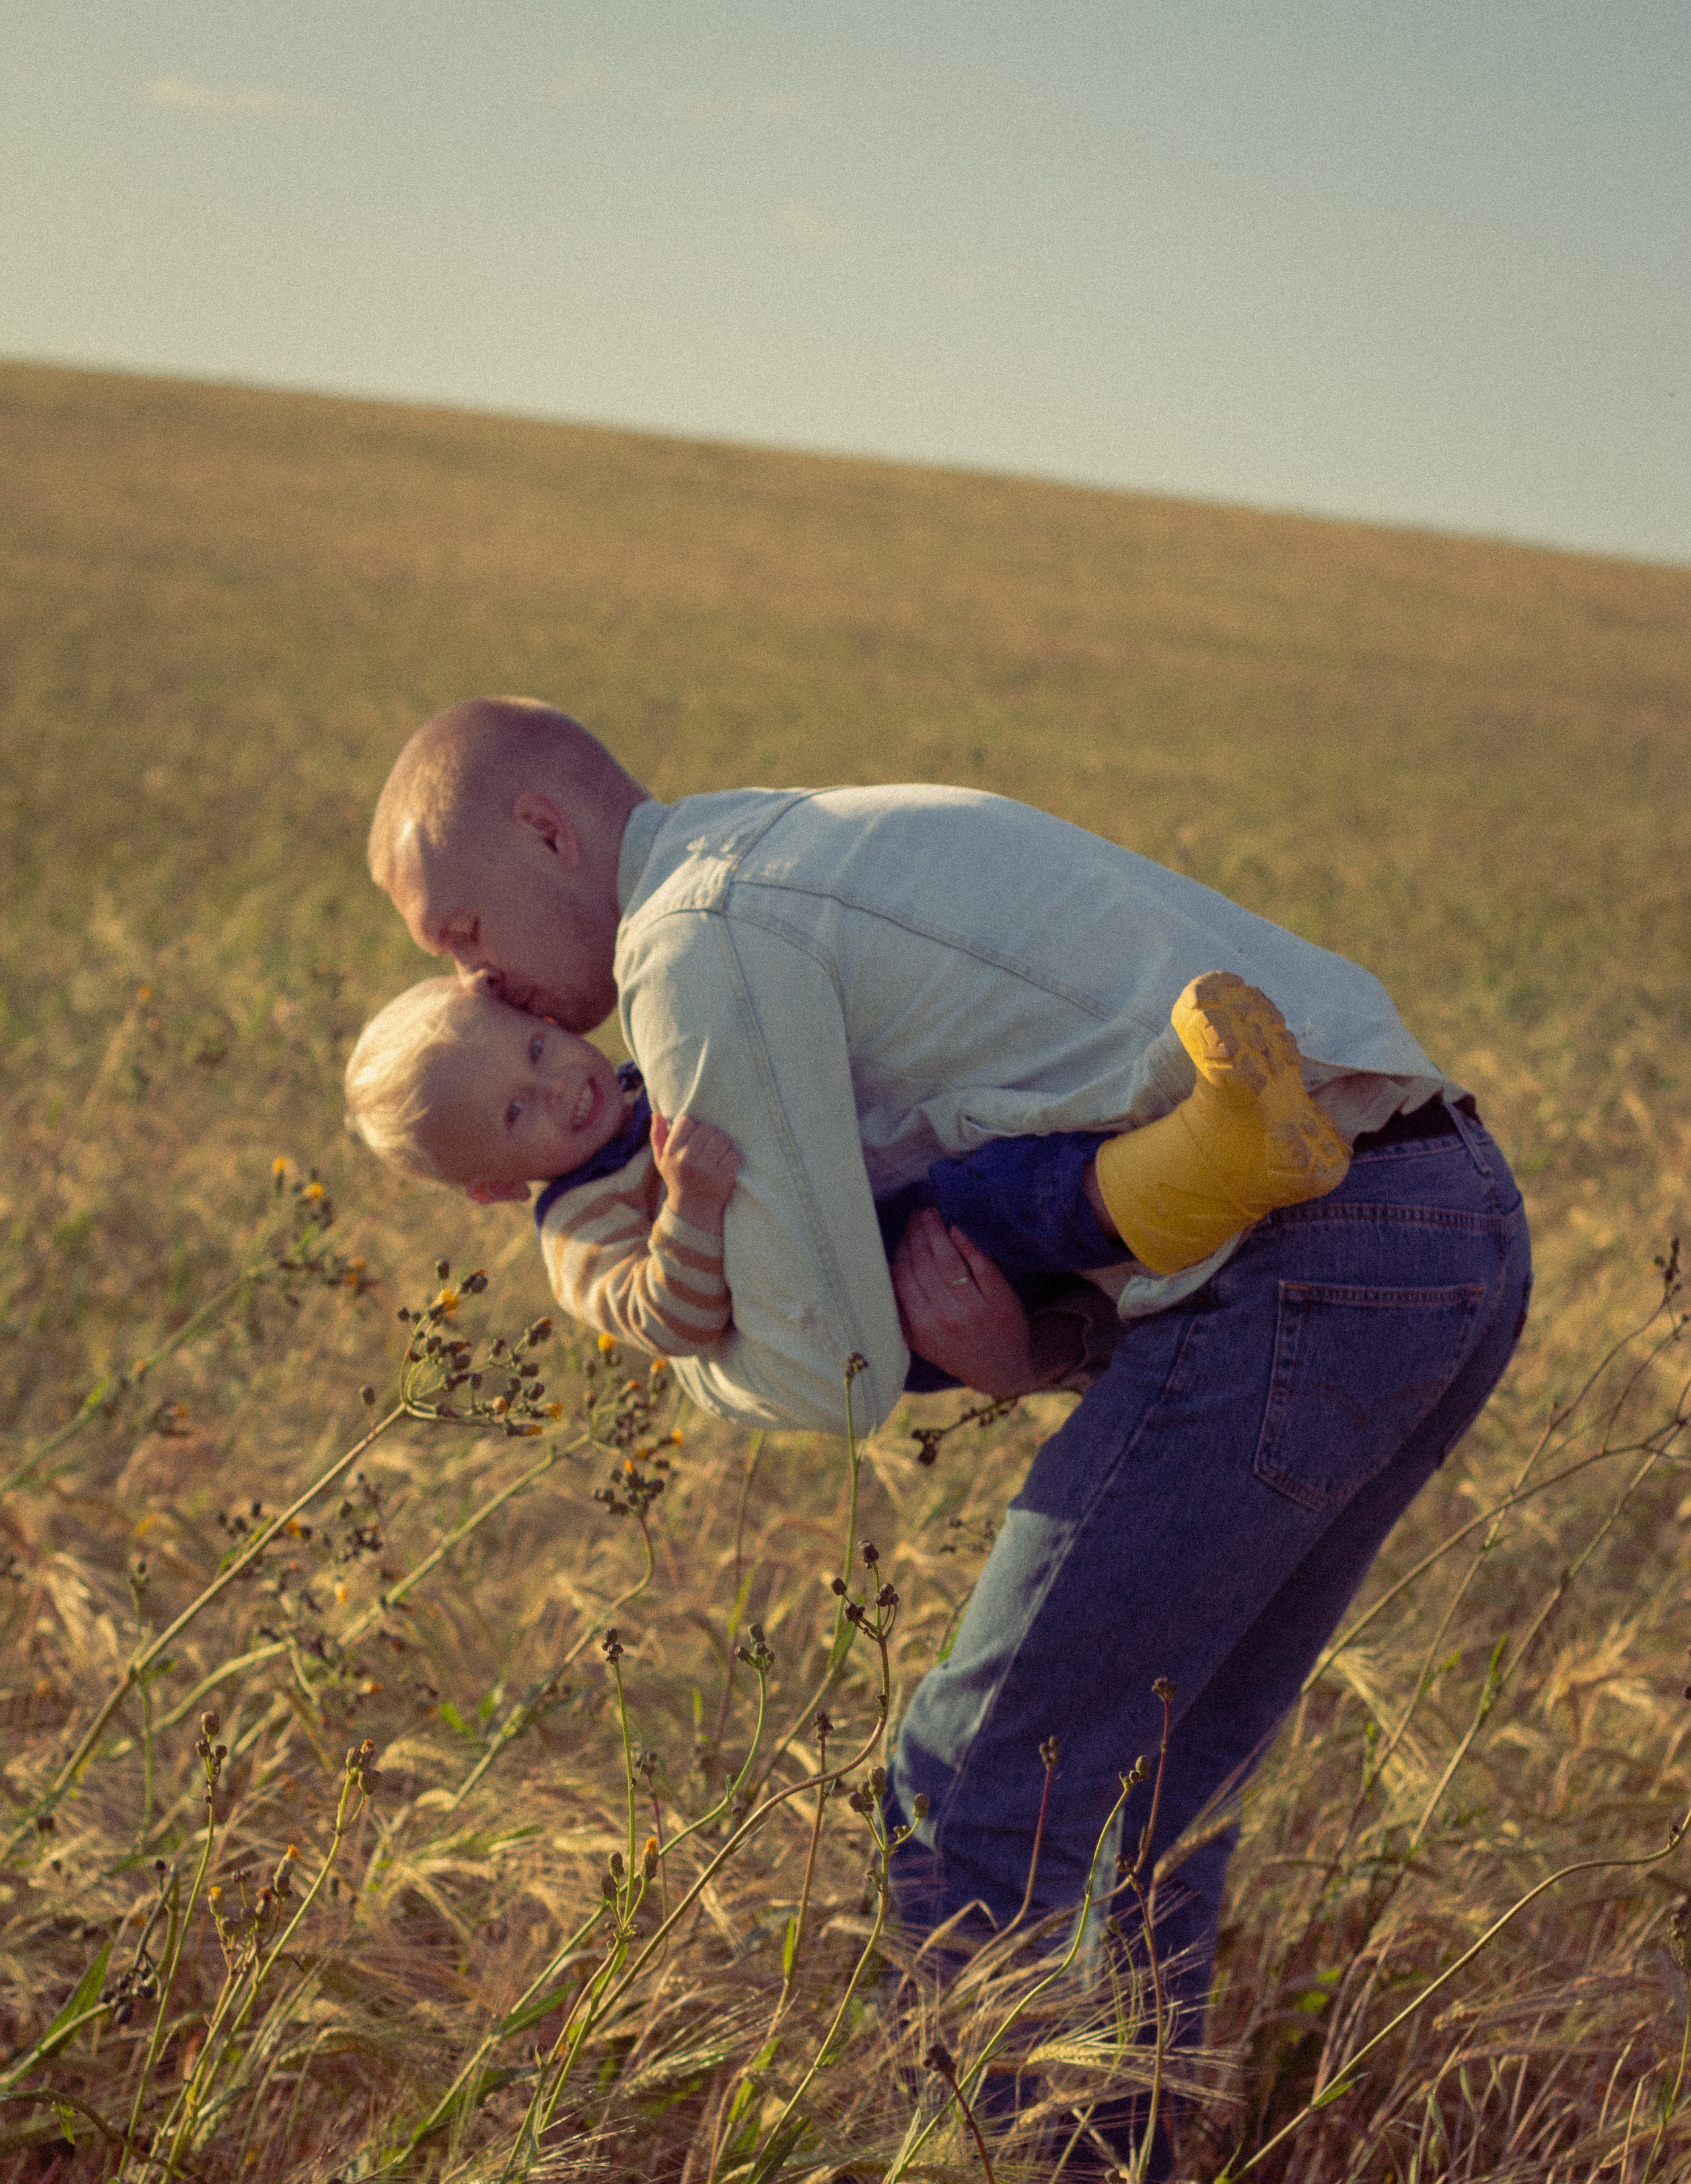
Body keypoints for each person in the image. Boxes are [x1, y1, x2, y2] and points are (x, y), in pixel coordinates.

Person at [367, 697, 1532, 2064]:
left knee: (975, 1792)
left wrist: (701, 1359)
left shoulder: (696, 937)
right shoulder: (791, 844)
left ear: (546, 832)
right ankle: (1114, 2176)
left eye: (462, 932)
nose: (478, 983)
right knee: (1139, 1796)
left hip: (1307, 1259)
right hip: (1439, 1213)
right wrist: (1029, 1355)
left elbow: (835, 1372)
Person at [342, 968, 1354, 1374]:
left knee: (1006, 1163)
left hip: (879, 1211)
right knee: (989, 1199)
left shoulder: (642, 1073)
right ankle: (1221, 1160)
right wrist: (690, 1204)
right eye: (515, 1114)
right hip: (881, 1298)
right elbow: (666, 1320)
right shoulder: (576, 1228)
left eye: (534, 1048)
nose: (556, 1085)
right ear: (492, 1187)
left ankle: (1203, 1123)